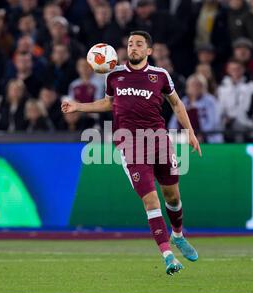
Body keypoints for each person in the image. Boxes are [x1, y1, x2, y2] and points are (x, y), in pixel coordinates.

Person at [62, 31, 201, 276]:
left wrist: (189, 132)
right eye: (129, 44)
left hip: (159, 141)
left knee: (172, 196)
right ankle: (168, 256)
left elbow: (177, 103)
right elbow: (108, 103)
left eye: (138, 44)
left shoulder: (160, 75)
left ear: (149, 50)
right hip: (130, 145)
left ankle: (178, 235)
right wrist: (79, 106)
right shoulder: (114, 75)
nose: (133, 48)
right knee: (151, 201)